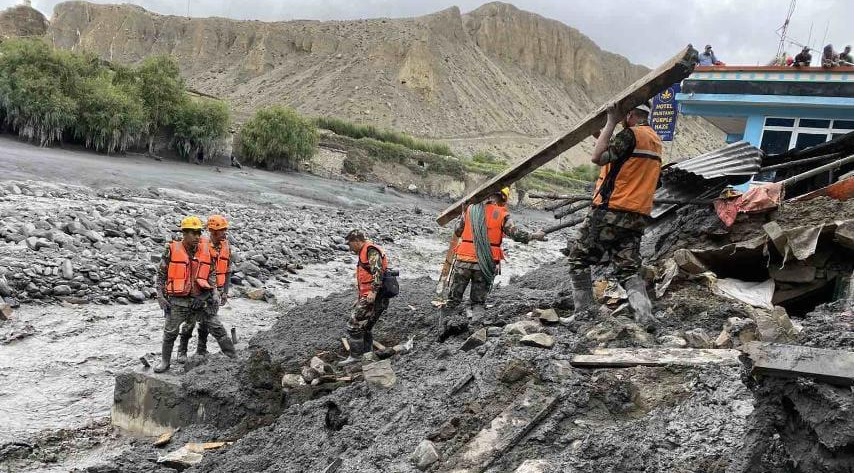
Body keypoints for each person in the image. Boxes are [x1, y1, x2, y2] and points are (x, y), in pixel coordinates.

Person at [567, 100, 663, 329]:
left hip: (611, 212)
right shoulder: (654, 140)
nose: (620, 123)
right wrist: (601, 132)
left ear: (629, 115)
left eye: (622, 119)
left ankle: (584, 315)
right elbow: (624, 157)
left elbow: (598, 157)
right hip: (636, 216)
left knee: (578, 258)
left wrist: (610, 120)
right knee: (627, 268)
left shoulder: (630, 134)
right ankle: (644, 316)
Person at [439, 188, 546, 338]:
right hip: (485, 264)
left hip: (463, 260)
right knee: (478, 302)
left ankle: (443, 331)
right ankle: (475, 333)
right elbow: (516, 234)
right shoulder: (502, 214)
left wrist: (463, 213)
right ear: (502, 198)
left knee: (453, 299)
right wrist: (535, 235)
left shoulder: (470, 209)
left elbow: (458, 231)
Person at [154, 216, 235, 373]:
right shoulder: (171, 249)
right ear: (184, 233)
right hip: (178, 301)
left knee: (217, 327)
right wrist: (160, 296)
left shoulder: (206, 251)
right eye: (194, 233)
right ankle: (165, 361)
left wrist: (203, 297)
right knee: (170, 332)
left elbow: (212, 278)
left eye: (199, 233)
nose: (198, 236)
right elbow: (161, 275)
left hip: (201, 299)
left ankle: (233, 358)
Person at [176, 215, 233, 363]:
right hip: (198, 290)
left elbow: (227, 270)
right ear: (213, 231)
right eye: (222, 230)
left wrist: (224, 292)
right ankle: (182, 351)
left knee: (207, 322)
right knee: (190, 322)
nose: (225, 233)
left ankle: (201, 349)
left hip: (215, 291)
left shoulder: (226, 246)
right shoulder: (201, 246)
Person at [339, 230, 391, 366]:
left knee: (353, 326)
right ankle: (367, 356)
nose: (349, 248)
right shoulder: (365, 251)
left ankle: (356, 357)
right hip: (369, 295)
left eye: (350, 244)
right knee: (365, 327)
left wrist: (373, 292)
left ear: (357, 241)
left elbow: (378, 272)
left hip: (374, 295)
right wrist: (360, 297)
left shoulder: (371, 251)